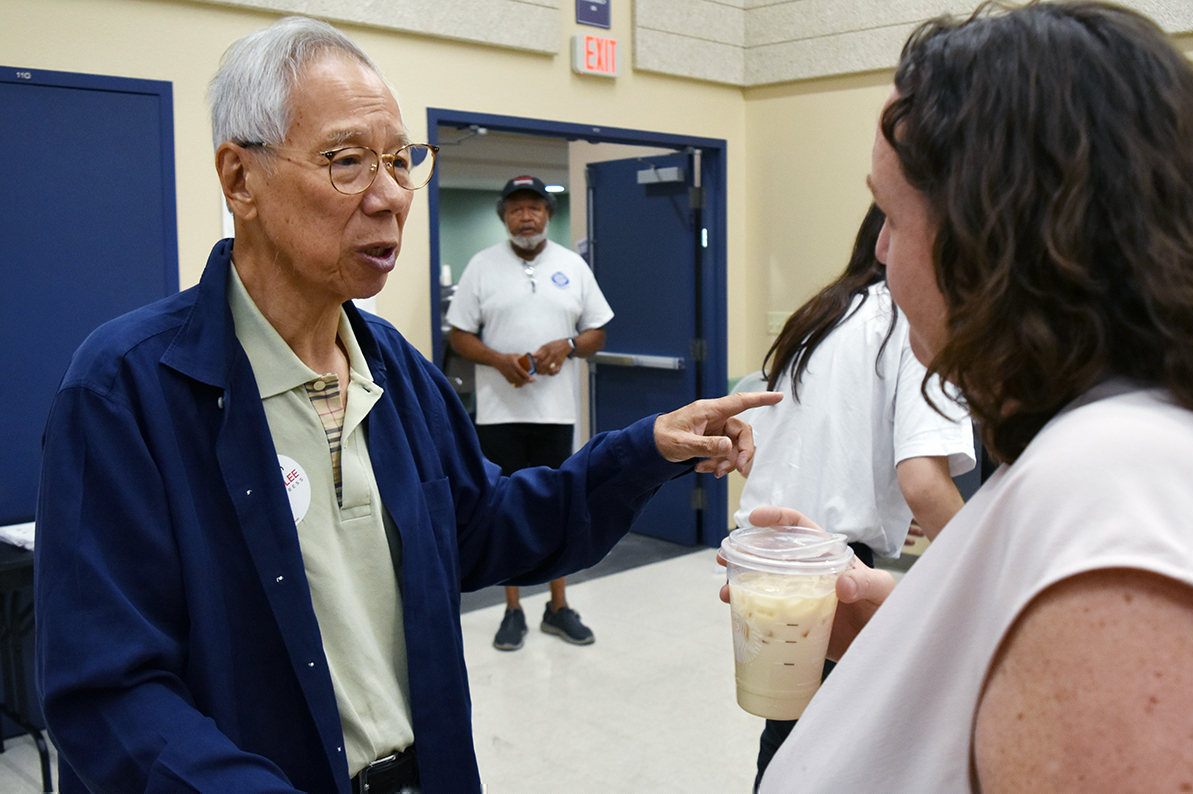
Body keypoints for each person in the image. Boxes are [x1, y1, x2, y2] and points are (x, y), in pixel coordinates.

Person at [32, 17, 780, 794]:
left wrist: (648, 448)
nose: (390, 197)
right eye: (347, 161)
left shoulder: (394, 369)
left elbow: (487, 527)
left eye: (400, 160)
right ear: (239, 179)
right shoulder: (127, 391)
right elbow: (109, 692)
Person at [749, 2, 1193, 791]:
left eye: (892, 215)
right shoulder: (1098, 448)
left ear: (993, 236)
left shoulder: (1112, 483)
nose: (880, 254)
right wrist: (905, 633)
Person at [734, 203, 975, 789]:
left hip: (768, 552)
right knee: (835, 748)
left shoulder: (820, 314)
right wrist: (987, 588)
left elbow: (760, 449)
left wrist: (875, 498)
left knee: (789, 734)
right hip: (836, 565)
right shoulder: (916, 327)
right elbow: (923, 482)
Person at [446, 175, 612, 651]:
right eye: (516, 208)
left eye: (535, 208)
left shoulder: (572, 266)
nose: (526, 216)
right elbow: (459, 335)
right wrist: (499, 360)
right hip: (499, 413)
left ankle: (558, 606)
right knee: (502, 509)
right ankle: (512, 609)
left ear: (548, 215)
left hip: (555, 412)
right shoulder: (482, 266)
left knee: (560, 504)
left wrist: (569, 344)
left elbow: (598, 332)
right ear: (504, 216)